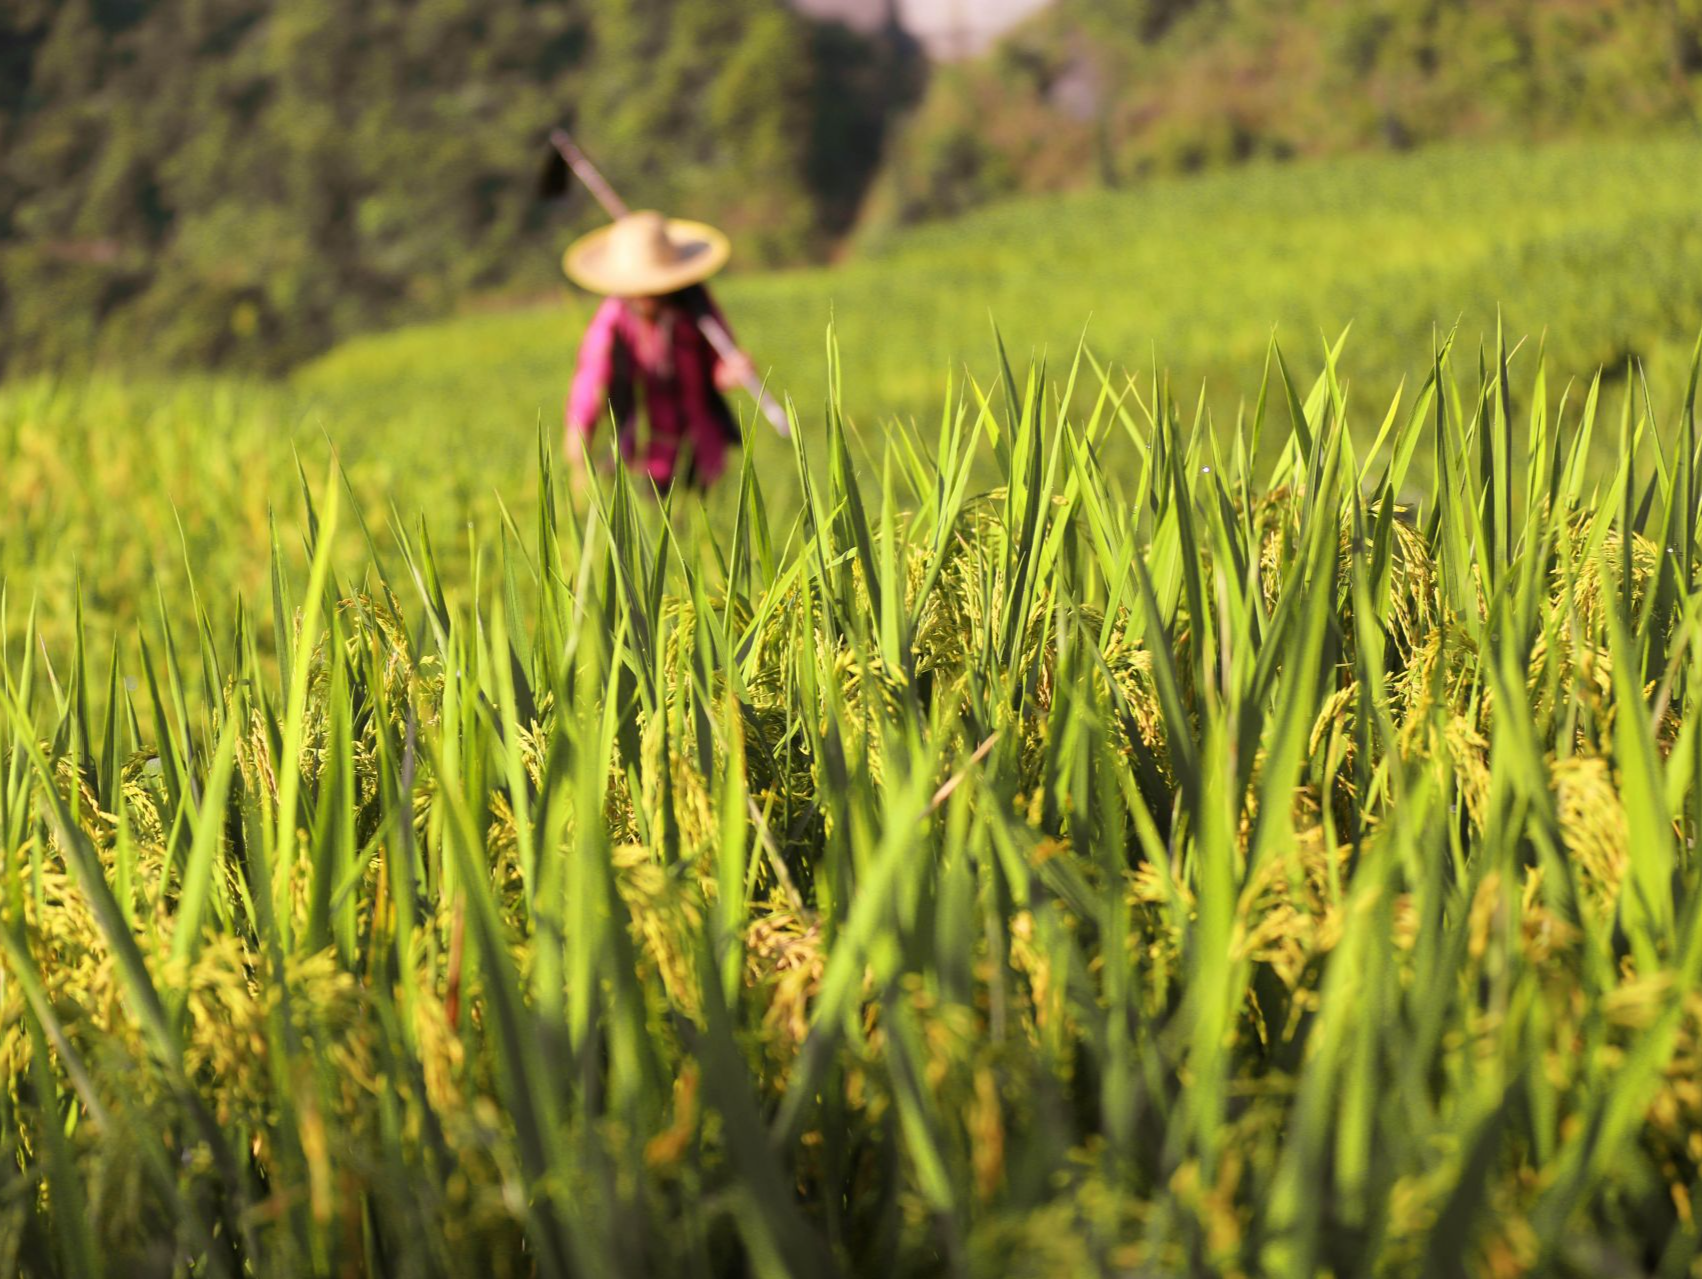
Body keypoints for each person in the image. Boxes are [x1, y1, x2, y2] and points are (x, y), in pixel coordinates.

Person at [561, 210, 756, 494]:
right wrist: (580, 440)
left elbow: (718, 364)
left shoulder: (695, 308)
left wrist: (732, 371)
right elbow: (591, 380)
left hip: (701, 450)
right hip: (643, 458)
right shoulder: (613, 321)